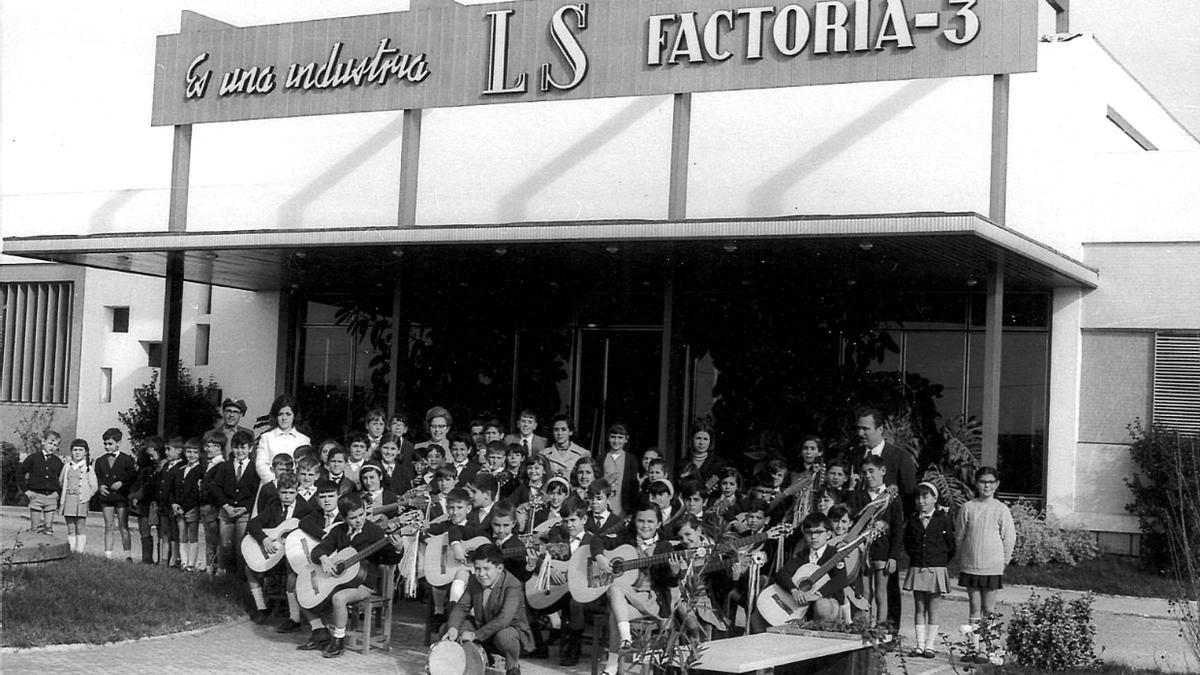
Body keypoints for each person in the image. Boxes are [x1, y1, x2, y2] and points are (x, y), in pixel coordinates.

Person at [308, 492, 404, 658]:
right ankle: (320, 630)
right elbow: (318, 550)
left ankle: (338, 640)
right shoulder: (339, 531)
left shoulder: (375, 533)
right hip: (341, 580)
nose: (359, 520)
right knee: (304, 593)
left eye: (361, 515)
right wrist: (324, 558)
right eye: (353, 518)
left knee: (338, 598)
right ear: (344, 518)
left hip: (363, 584)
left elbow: (389, 559)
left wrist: (398, 549)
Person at [592, 499, 677, 675]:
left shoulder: (664, 546)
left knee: (615, 606)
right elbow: (597, 540)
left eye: (650, 521)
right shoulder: (626, 539)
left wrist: (675, 572)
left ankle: (612, 665)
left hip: (651, 599)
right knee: (615, 590)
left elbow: (669, 583)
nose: (645, 525)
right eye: (641, 520)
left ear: (659, 523)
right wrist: (599, 557)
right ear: (634, 521)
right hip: (627, 597)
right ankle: (626, 639)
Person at [441, 544, 536, 675]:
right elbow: (462, 607)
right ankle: (468, 664)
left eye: (486, 569)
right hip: (484, 625)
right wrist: (453, 628)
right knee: (446, 629)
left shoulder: (513, 584)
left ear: (499, 568)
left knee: (505, 636)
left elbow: (504, 619)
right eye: (477, 569)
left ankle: (512, 667)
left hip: (510, 631)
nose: (481, 574)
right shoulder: (475, 580)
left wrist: (475, 635)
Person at [955, 466, 1016, 662]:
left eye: (990, 482)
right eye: (983, 482)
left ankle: (986, 649)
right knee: (974, 607)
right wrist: (962, 558)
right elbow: (959, 536)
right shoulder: (967, 507)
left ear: (996, 484)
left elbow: (1009, 538)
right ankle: (973, 648)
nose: (986, 485)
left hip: (992, 566)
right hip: (971, 565)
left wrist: (1004, 562)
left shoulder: (1001, 509)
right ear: (976, 483)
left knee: (988, 609)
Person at [845, 454, 904, 630]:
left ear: (882, 471)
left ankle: (880, 628)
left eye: (872, 471)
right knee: (864, 591)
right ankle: (863, 626)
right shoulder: (859, 496)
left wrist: (893, 556)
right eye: (864, 472)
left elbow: (898, 529)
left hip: (882, 551)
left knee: (881, 592)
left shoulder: (892, 498)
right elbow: (852, 521)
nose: (868, 476)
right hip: (862, 550)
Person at [904, 481, 956, 659]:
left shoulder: (944, 519)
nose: (921, 501)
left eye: (925, 497)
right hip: (918, 566)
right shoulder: (912, 519)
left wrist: (939, 561)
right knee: (919, 606)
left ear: (935, 498)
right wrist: (917, 558)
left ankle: (930, 645)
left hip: (936, 567)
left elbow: (950, 545)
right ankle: (919, 645)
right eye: (918, 497)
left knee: (933, 607)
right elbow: (908, 543)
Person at [245, 472, 303, 625]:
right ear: (278, 492)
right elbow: (253, 524)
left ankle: (294, 617)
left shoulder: (305, 509)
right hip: (275, 551)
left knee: (292, 573)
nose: (287, 496)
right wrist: (264, 539)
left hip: (292, 554)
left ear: (297, 491)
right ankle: (261, 608)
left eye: (291, 493)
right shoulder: (274, 506)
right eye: (284, 492)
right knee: (249, 569)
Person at [770, 512, 849, 623]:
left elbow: (840, 579)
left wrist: (818, 594)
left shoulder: (834, 554)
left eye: (818, 532)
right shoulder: (802, 555)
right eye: (809, 533)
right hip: (803, 606)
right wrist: (794, 590)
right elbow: (782, 574)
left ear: (829, 534)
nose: (813, 537)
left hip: (830, 602)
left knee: (822, 605)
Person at [213, 430, 261, 575]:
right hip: (226, 512)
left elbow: (255, 493)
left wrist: (245, 509)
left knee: (241, 545)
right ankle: (222, 572)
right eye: (236, 447)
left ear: (250, 448)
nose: (239, 451)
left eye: (243, 447)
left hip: (243, 513)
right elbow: (216, 487)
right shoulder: (225, 466)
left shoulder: (255, 468)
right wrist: (226, 506)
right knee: (225, 544)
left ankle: (240, 576)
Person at [94, 427, 137, 560]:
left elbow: (132, 477)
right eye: (105, 444)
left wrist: (122, 483)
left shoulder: (126, 459)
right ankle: (108, 555)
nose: (107, 447)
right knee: (109, 526)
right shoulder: (100, 460)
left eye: (110, 444)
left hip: (121, 497)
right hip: (107, 497)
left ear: (118, 443)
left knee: (123, 525)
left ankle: (127, 555)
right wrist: (100, 486)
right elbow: (97, 476)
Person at [255, 394, 310, 483]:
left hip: (295, 487)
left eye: (288, 414)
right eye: (280, 414)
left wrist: (292, 483)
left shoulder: (304, 440)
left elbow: (306, 467)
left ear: (294, 416)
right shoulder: (266, 438)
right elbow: (260, 465)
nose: (284, 418)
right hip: (271, 487)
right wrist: (276, 483)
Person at [18, 429, 63, 535]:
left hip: (51, 497)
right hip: (36, 496)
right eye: (50, 443)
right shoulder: (33, 458)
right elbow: (20, 473)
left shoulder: (57, 461)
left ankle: (47, 548)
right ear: (43, 441)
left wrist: (58, 492)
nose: (52, 447)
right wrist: (26, 490)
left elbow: (62, 479)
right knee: (35, 528)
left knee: (48, 529)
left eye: (55, 445)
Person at [171, 437, 206, 571]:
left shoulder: (200, 470)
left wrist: (184, 507)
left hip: (192, 508)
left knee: (193, 536)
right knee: (182, 535)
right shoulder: (181, 469)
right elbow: (174, 489)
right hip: (179, 508)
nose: (191, 455)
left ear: (200, 454)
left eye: (195, 452)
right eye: (189, 452)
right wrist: (175, 504)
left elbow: (195, 492)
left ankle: (191, 563)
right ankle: (184, 562)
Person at [59, 438, 97, 552]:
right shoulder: (67, 466)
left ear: (85, 452)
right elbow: (61, 481)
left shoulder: (88, 468)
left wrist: (86, 496)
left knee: (80, 527)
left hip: (81, 500)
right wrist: (68, 492)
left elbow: (94, 486)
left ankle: (79, 552)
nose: (77, 452)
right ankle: (71, 551)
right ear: (71, 451)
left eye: (80, 450)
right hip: (69, 499)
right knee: (70, 527)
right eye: (75, 450)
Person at [129, 437, 163, 564]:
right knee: (144, 529)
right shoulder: (148, 467)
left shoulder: (161, 467)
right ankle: (147, 558)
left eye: (152, 454)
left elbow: (149, 485)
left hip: (154, 501)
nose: (151, 458)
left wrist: (138, 495)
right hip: (145, 502)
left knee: (160, 531)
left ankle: (161, 559)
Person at [200, 431, 227, 573]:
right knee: (209, 538)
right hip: (205, 506)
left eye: (211, 446)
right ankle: (210, 566)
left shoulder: (221, 465)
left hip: (213, 507)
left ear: (219, 447)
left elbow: (216, 489)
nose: (207, 449)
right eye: (206, 446)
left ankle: (215, 567)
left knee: (214, 539)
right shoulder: (209, 464)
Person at [599, 423, 640, 519]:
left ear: (626, 439)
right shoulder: (601, 458)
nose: (616, 441)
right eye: (613, 437)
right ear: (608, 438)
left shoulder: (630, 459)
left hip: (622, 507)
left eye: (620, 437)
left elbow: (633, 486)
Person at [156, 437, 185, 568]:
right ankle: (163, 559)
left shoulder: (181, 466)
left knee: (174, 533)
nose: (166, 452)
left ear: (179, 450)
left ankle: (175, 559)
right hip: (163, 504)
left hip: (172, 505)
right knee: (164, 532)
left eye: (169, 449)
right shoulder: (166, 466)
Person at [676, 420, 727, 486]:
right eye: (698, 438)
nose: (701, 442)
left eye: (705, 439)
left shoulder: (719, 464)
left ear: (710, 441)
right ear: (692, 439)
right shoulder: (681, 464)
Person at [542, 414, 589, 479]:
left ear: (570, 432)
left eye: (563, 429)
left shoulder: (582, 454)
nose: (559, 433)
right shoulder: (544, 454)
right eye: (556, 430)